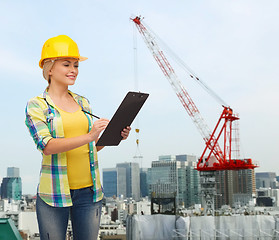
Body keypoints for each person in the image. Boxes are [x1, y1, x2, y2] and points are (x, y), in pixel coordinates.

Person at [25, 35, 131, 240]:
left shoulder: (83, 103)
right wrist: (89, 135)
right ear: (49, 68)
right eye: (66, 64)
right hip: (54, 195)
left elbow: (90, 147)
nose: (73, 69)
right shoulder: (37, 105)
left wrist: (113, 136)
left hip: (89, 193)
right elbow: (46, 146)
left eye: (76, 65)